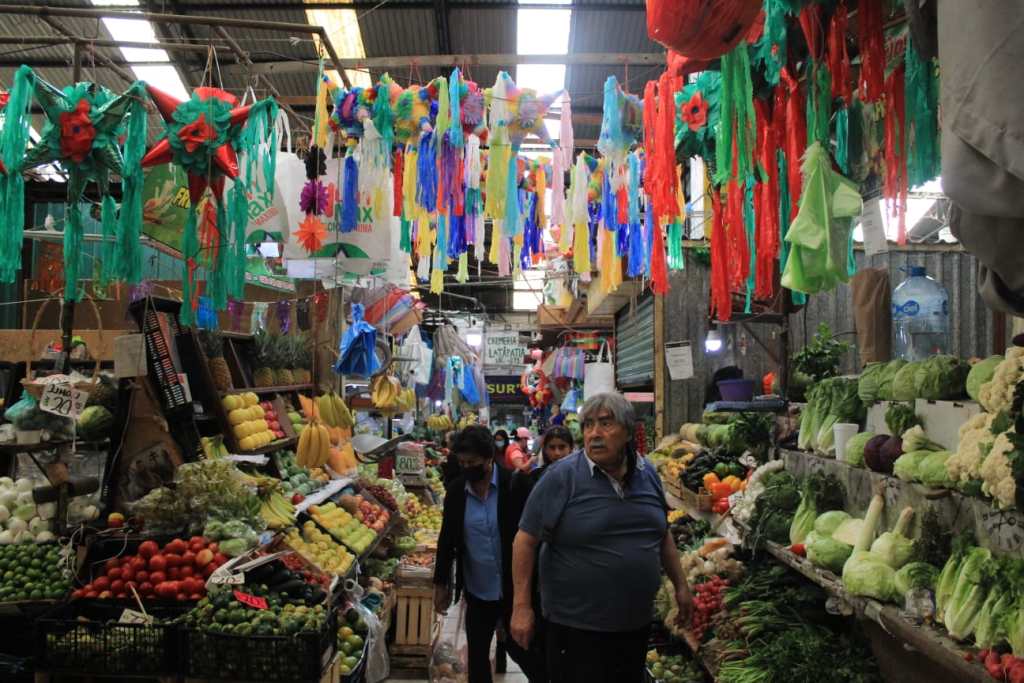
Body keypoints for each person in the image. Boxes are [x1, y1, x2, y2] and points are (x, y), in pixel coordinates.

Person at [509, 393, 693, 683]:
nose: (594, 434)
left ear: (629, 432)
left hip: (635, 627)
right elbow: (525, 540)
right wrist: (521, 607)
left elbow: (661, 533)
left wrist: (681, 586)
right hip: (575, 629)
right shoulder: (561, 477)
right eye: (588, 425)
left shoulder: (649, 475)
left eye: (606, 424)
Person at [433, 426, 545, 683]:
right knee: (477, 660)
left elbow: (531, 539)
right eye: (461, 462)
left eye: (471, 462)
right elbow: (447, 538)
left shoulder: (515, 485)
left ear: (488, 458)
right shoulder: (456, 492)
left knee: (526, 653)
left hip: (514, 590)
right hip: (477, 590)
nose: (466, 467)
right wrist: (441, 583)